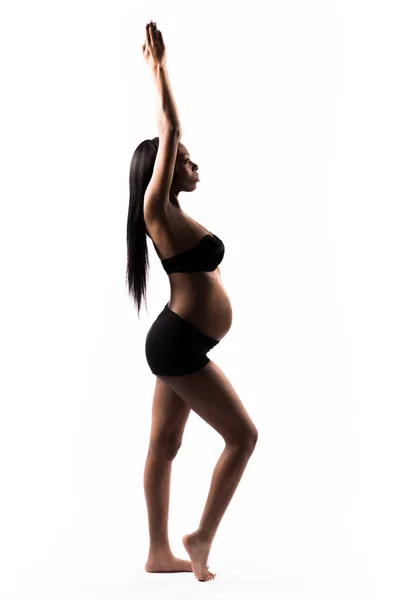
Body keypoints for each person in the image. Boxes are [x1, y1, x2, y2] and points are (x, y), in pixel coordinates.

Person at [126, 20, 258, 582]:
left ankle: (158, 553)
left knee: (165, 442)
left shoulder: (176, 215)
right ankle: (199, 537)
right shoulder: (157, 208)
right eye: (184, 160)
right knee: (243, 436)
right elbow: (171, 127)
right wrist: (159, 70)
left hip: (177, 340)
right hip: (180, 344)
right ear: (161, 170)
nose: (192, 164)